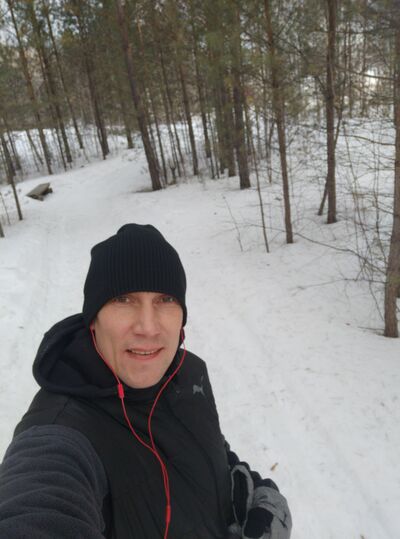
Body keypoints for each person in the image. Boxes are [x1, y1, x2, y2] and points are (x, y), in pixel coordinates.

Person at [0, 224, 292, 539]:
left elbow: (209, 445)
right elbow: (38, 503)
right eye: (123, 299)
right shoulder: (59, 433)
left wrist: (245, 484)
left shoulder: (188, 372)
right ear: (93, 319)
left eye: (165, 299)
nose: (148, 327)